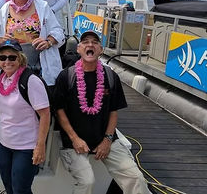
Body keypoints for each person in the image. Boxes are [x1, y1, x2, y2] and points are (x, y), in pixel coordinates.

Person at [53, 31, 152, 194]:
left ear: (101, 50)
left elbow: (113, 111)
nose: (90, 45)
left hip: (107, 140)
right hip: (73, 143)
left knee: (136, 178)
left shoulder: (110, 76)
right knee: (87, 181)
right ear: (78, 49)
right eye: (85, 42)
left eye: (94, 42)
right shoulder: (66, 76)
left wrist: (107, 140)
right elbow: (59, 111)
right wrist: (75, 138)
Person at [0, 0, 64, 91]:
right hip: (12, 68)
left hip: (39, 68)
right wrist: (0, 40)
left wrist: (48, 42)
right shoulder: (5, 9)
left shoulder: (42, 6)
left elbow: (58, 31)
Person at [0, 40, 50, 194]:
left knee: (21, 189)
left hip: (26, 146)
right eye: (3, 57)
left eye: (12, 57)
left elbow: (45, 114)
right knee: (9, 186)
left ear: (20, 59)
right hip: (4, 144)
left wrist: (40, 146)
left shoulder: (31, 81)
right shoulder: (1, 77)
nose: (7, 61)